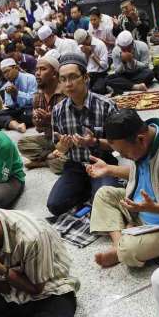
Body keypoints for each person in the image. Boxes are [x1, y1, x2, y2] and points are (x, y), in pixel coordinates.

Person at [88, 109, 159, 268]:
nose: (124, 157)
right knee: (104, 194)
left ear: (141, 139)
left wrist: (155, 207)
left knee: (129, 250)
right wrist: (108, 169)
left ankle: (122, 247)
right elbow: (142, 173)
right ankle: (120, 243)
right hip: (140, 208)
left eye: (124, 153)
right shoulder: (144, 142)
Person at [47, 52, 121, 216]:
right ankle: (90, 188)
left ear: (86, 77)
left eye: (73, 77)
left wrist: (93, 142)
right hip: (75, 166)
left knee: (106, 205)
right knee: (55, 206)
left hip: (102, 162)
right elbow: (58, 147)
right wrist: (63, 146)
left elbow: (119, 145)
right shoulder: (58, 111)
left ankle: (96, 190)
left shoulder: (106, 105)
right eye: (63, 79)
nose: (68, 84)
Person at [17, 56, 67, 173]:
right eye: (37, 70)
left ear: (54, 73)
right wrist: (37, 120)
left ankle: (44, 161)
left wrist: (51, 119)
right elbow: (39, 129)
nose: (37, 73)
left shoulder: (66, 93)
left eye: (43, 69)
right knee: (22, 143)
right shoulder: (38, 96)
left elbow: (74, 126)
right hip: (49, 139)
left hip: (66, 141)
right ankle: (50, 158)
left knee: (69, 164)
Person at [0, 58, 37, 133]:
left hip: (29, 110)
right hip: (18, 111)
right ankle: (18, 126)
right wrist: (12, 96)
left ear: (15, 68)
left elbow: (34, 100)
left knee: (31, 115)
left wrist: (17, 93)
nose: (6, 75)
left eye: (7, 71)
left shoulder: (30, 78)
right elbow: (10, 105)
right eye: (4, 73)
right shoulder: (8, 85)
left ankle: (12, 123)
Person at [73, 29, 109, 95]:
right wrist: (86, 54)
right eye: (81, 44)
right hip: (87, 74)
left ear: (88, 37)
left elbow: (104, 66)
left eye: (84, 43)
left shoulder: (100, 44)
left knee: (97, 90)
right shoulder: (81, 47)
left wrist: (91, 54)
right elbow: (82, 66)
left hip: (100, 74)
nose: (83, 45)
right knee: (78, 89)